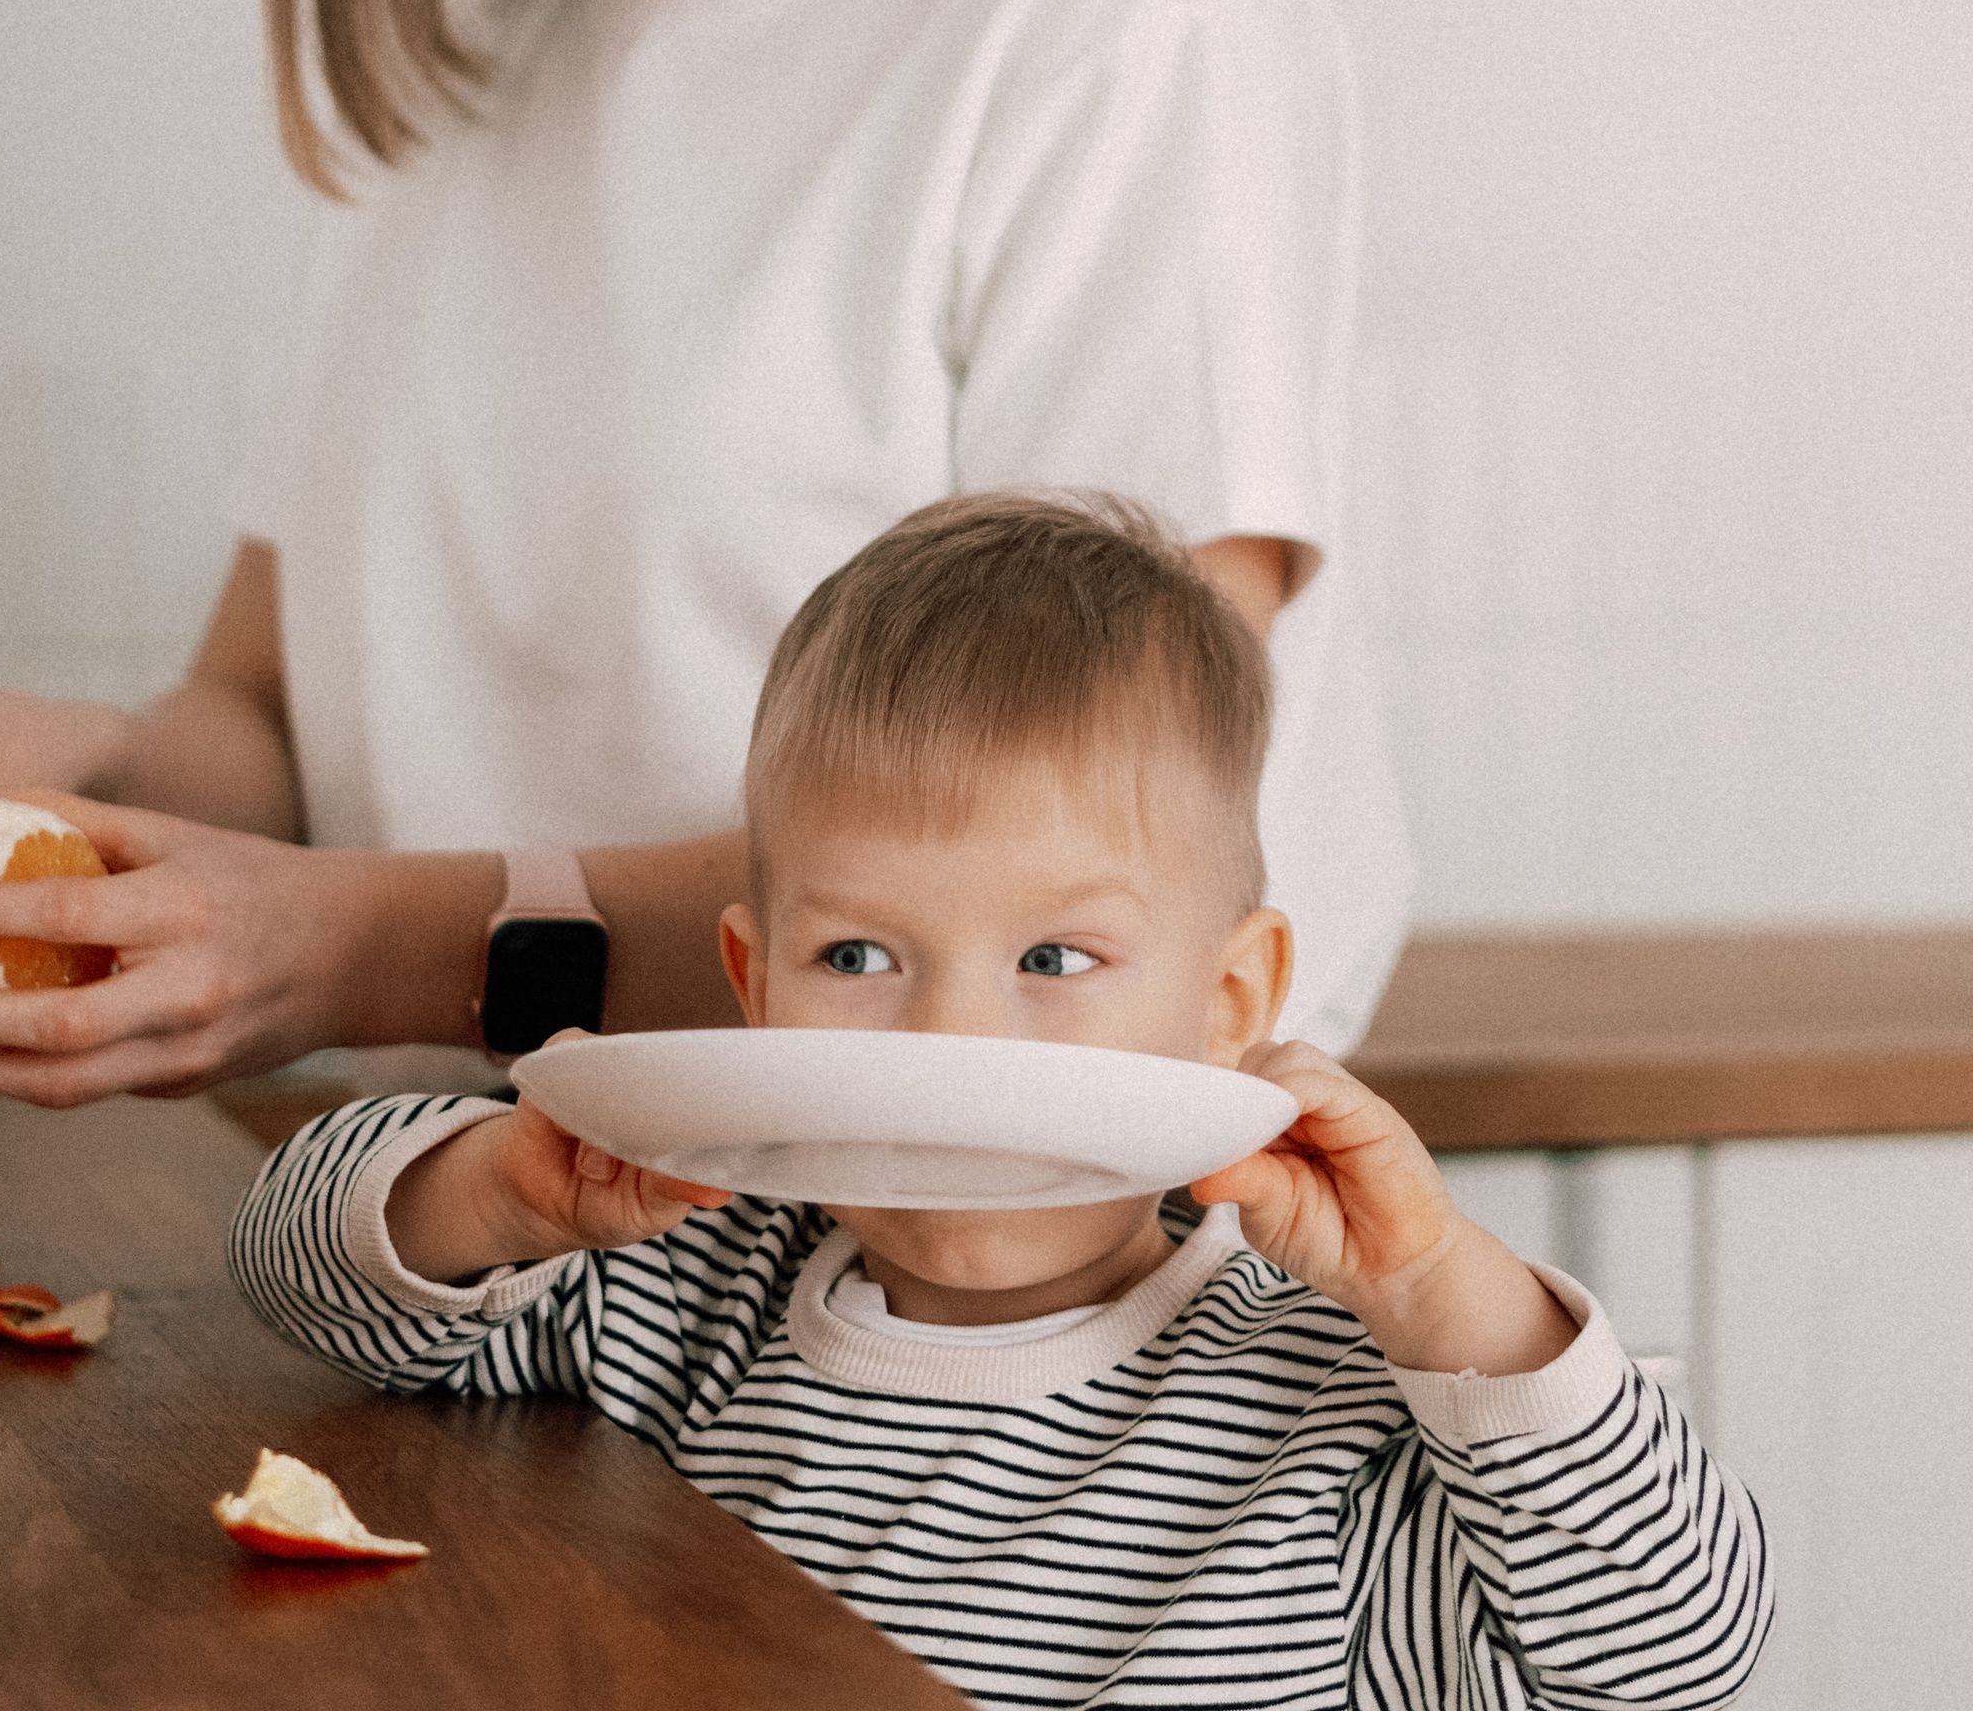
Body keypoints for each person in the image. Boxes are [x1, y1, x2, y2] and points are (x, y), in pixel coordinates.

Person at [230, 493, 1770, 1710]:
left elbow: (1674, 1655)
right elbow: (296, 1271)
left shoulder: (1328, 1414)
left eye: (1053, 953)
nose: (952, 1034)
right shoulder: (675, 1289)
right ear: (752, 987)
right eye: (859, 953)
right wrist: (504, 1187)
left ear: (1227, 1007)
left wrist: (1446, 1294)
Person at [0, 0, 1412, 1107]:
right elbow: (275, 721)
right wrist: (75, 790)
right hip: (494, 1227)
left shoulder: (1122, 34)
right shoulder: (474, 56)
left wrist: (359, 950)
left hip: (974, 1294)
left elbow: (1101, 831)